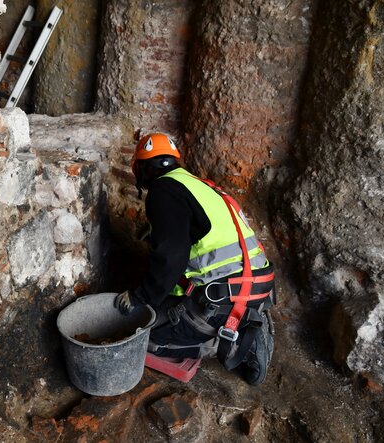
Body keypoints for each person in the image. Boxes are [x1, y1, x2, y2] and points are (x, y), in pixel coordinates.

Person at [114, 133, 276, 386]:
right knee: (159, 310)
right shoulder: (199, 185)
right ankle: (248, 317)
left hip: (223, 299)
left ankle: (235, 341)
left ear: (140, 168)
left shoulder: (163, 191)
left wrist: (139, 297)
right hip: (253, 286)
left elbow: (172, 256)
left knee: (142, 339)